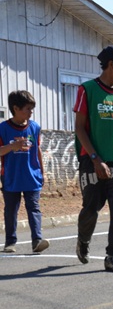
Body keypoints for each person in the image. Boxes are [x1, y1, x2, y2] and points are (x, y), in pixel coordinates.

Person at [73, 45, 113, 272]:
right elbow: (79, 128)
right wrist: (94, 158)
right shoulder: (87, 90)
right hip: (91, 160)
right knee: (92, 207)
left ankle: (112, 255)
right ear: (111, 65)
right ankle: (84, 240)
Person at [0, 91, 50, 254]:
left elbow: (37, 151)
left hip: (32, 176)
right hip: (11, 177)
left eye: (32, 109)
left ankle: (37, 240)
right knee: (11, 210)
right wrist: (11, 147)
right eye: (27, 109)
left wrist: (42, 172)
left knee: (34, 208)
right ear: (15, 108)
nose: (31, 112)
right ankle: (10, 242)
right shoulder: (3, 128)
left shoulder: (34, 127)